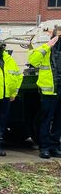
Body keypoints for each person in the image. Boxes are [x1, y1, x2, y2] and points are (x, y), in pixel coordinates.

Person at [29, 28, 61, 158]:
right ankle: (44, 147)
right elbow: (33, 61)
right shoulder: (45, 49)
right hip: (49, 91)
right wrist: (48, 46)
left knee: (59, 120)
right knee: (45, 120)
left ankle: (54, 146)